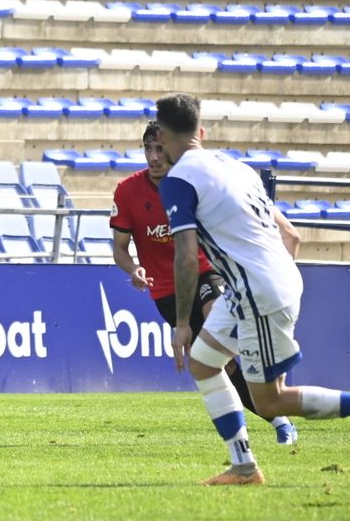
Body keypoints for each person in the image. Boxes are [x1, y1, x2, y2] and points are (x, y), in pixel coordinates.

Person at [154, 93, 350, 485]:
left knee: (270, 399)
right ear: (201, 132)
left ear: (161, 135)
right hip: (260, 282)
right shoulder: (236, 166)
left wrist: (181, 323)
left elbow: (188, 258)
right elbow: (287, 232)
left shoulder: (178, 182)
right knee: (204, 363)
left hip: (256, 290)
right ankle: (243, 465)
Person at [111, 121, 300, 445]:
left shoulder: (193, 184)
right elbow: (119, 248)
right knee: (221, 365)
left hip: (203, 271)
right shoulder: (128, 191)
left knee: (217, 318)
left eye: (160, 149)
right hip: (166, 290)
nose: (154, 157)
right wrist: (134, 268)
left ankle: (261, 351)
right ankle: (278, 421)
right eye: (148, 149)